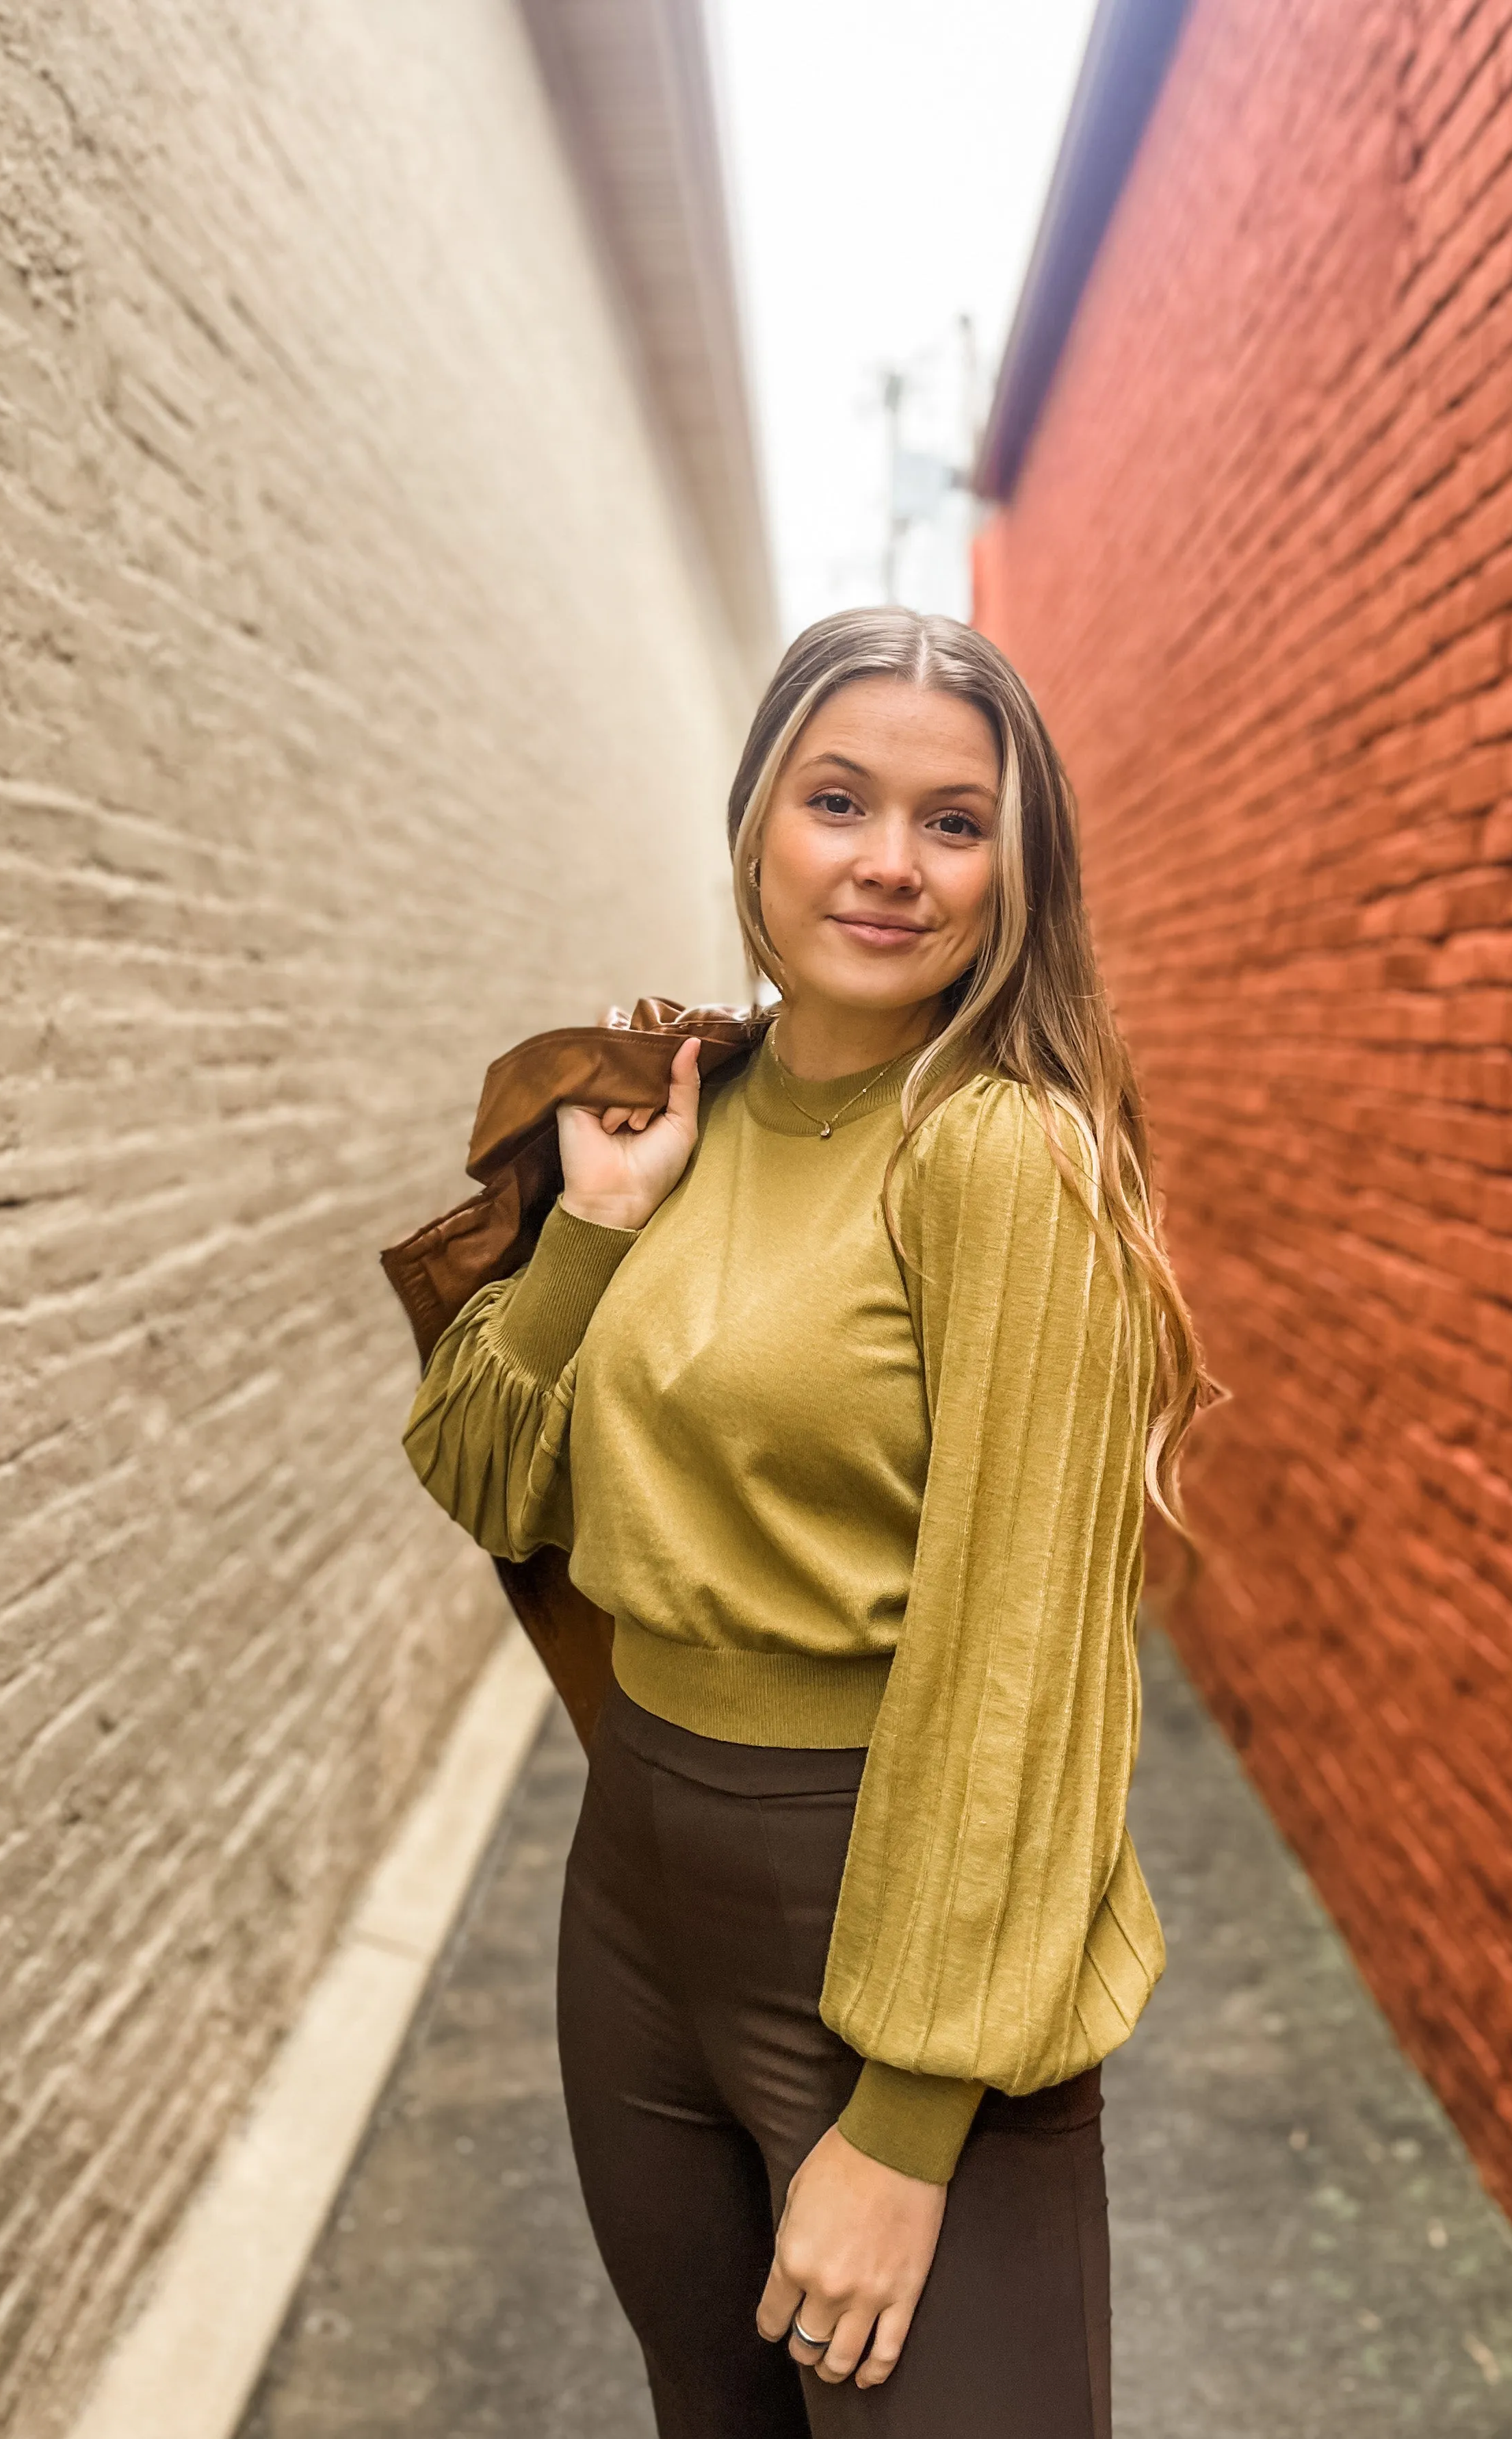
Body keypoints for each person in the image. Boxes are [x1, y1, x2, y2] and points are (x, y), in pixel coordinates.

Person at [402, 607, 1212, 2436]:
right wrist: (593, 1231)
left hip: (894, 1893)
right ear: (761, 813)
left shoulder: (1003, 1156)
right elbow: (477, 1470)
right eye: (839, 797)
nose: (888, 864)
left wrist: (910, 2120)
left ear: (1017, 868)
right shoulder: (679, 1111)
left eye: (954, 819)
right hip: (635, 1884)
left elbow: (1026, 1659)